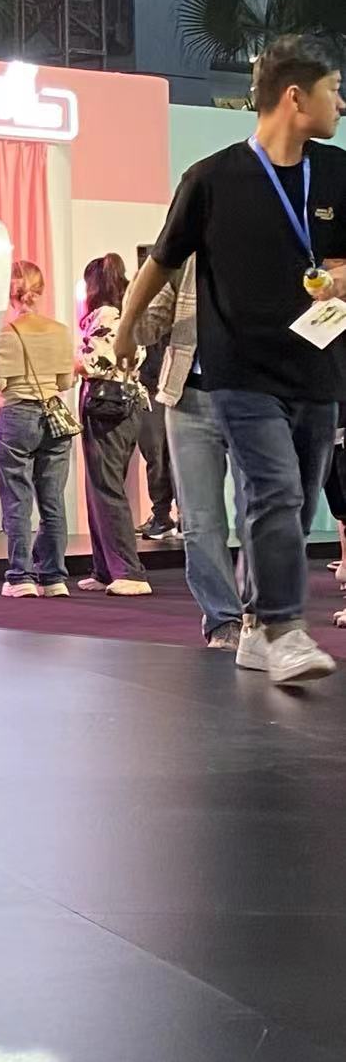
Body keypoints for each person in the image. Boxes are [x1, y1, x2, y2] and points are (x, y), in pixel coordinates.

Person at [117, 33, 345, 685]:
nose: (340, 103)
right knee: (268, 492)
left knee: (293, 503)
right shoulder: (211, 179)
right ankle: (280, 629)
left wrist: (338, 280)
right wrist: (126, 329)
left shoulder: (337, 173)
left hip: (316, 370)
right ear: (295, 96)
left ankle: (253, 627)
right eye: (333, 90)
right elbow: (160, 263)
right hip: (236, 375)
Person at [140, 259, 254, 649]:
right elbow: (144, 327)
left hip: (256, 395)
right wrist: (148, 282)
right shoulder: (188, 258)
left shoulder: (275, 247)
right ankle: (223, 619)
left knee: (258, 512)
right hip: (189, 395)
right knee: (199, 520)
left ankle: (257, 613)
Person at [0, 261, 78, 599]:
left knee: (17, 502)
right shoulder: (60, 331)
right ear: (40, 290)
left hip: (16, 416)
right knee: (53, 502)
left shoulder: (6, 334)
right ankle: (54, 578)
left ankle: (20, 577)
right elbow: (65, 382)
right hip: (55, 416)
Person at [77, 253, 153, 596]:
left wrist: (67, 361)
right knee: (103, 488)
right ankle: (106, 569)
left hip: (107, 406)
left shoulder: (105, 315)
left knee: (106, 489)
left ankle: (128, 571)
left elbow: (99, 361)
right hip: (128, 405)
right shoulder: (128, 311)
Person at [135, 301, 180, 542]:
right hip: (158, 388)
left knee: (163, 457)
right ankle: (163, 516)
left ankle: (169, 517)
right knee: (158, 456)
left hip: (165, 389)